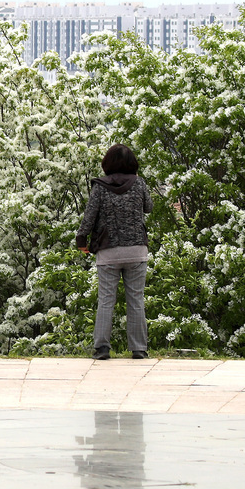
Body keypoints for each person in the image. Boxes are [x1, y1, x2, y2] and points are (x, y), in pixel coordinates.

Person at [76, 144, 153, 360]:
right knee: (136, 300)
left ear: (107, 164)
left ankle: (102, 349)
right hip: (137, 250)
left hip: (108, 252)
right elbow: (149, 207)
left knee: (106, 300)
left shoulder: (99, 187)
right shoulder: (139, 184)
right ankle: (139, 349)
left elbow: (89, 217)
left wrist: (82, 240)